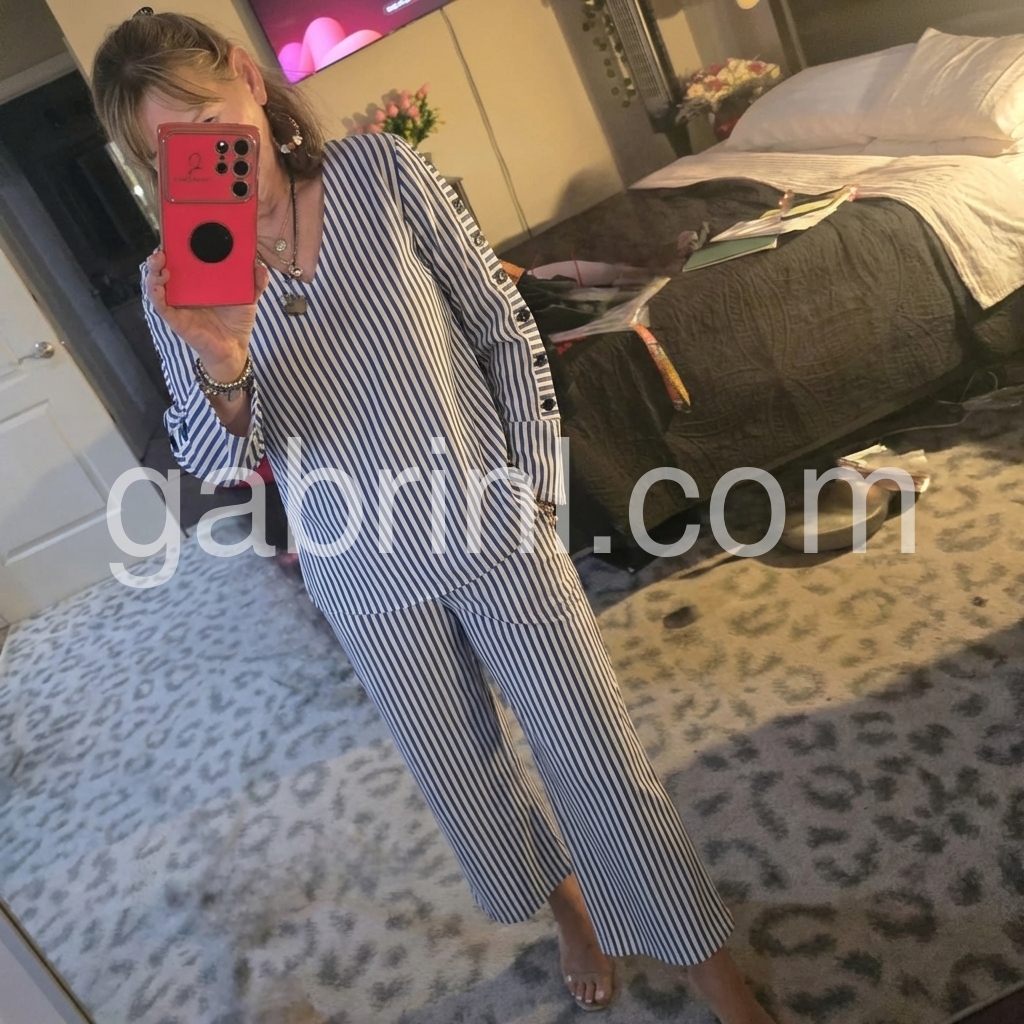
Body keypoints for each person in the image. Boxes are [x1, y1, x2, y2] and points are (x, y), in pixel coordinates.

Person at [91, 11, 776, 1020]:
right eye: (170, 152)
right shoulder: (181, 291)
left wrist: (536, 488)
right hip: (363, 574)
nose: (207, 156)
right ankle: (569, 912)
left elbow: (502, 327)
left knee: (598, 755)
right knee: (468, 780)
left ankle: (708, 964)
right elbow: (220, 462)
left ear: (249, 78)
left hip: (493, 528)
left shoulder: (380, 175)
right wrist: (223, 359)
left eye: (207, 118)